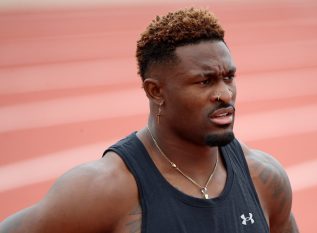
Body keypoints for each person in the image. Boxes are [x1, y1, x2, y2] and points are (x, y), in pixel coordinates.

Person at [0, 8, 299, 233]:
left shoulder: (264, 178)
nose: (224, 94)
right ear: (155, 91)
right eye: (205, 81)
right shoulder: (105, 189)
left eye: (229, 77)